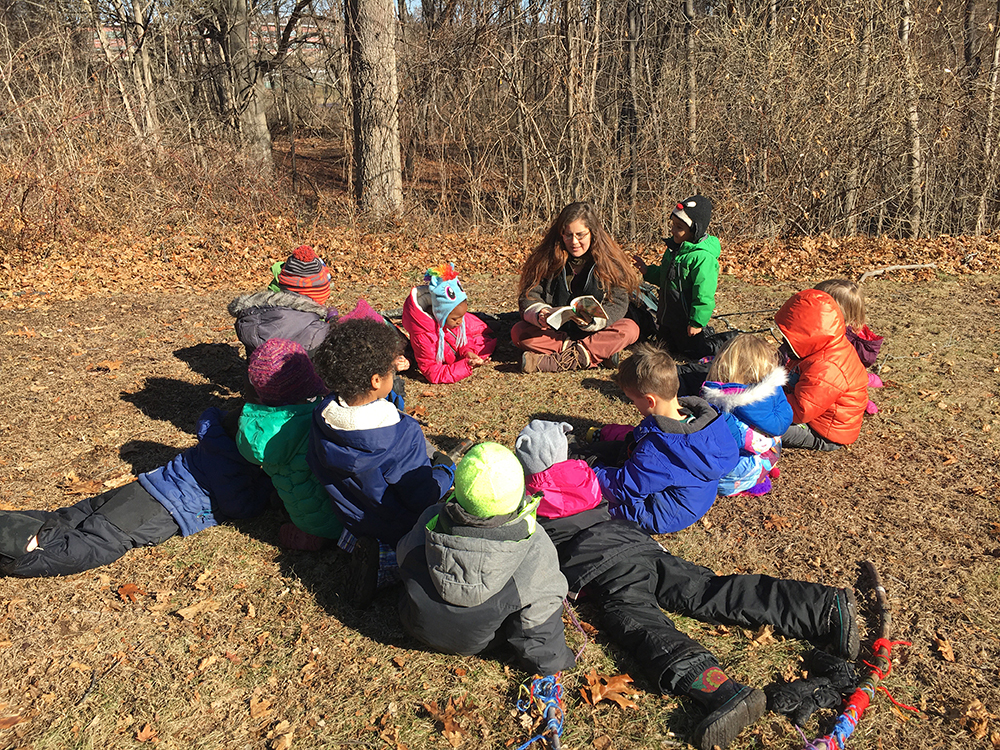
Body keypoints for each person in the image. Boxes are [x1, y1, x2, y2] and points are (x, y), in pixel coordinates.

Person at [512, 418, 859, 750]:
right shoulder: (587, 476)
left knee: (634, 619)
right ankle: (821, 607)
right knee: (711, 590)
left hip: (607, 570)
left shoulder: (531, 507)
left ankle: (720, 691)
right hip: (642, 547)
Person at [0, 409, 271, 578]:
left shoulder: (214, 438)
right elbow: (240, 506)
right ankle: (26, 548)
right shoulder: (230, 466)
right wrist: (268, 489)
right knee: (98, 542)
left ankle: (9, 524)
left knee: (75, 516)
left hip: (141, 488)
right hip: (159, 509)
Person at [308, 317, 455, 607]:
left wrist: (390, 401)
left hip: (351, 516)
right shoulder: (404, 434)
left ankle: (360, 547)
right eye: (391, 369)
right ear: (376, 380)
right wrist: (444, 472)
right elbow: (420, 496)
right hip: (395, 524)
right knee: (426, 536)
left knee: (364, 530)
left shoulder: (321, 416)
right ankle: (386, 570)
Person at [396, 442, 575, 678]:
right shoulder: (536, 547)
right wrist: (555, 663)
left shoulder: (430, 520)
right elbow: (539, 628)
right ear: (519, 493)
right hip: (479, 641)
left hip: (415, 623)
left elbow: (403, 555)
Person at [587, 343, 739, 534]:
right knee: (611, 451)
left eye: (633, 401)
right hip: (693, 500)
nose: (634, 406)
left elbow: (623, 488)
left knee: (596, 502)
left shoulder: (660, 450)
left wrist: (592, 471)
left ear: (650, 400)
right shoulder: (705, 419)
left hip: (659, 513)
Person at [236, 338, 342, 551]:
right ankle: (323, 537)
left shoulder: (257, 428)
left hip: (300, 513)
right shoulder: (316, 419)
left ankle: (307, 532)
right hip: (338, 518)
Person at [512, 201, 640, 373]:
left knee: (630, 329)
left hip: (595, 332)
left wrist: (595, 320)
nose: (574, 242)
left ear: (592, 233)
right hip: (556, 333)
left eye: (580, 235)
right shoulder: (546, 258)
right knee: (519, 332)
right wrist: (539, 313)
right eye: (568, 235)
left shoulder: (610, 261)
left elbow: (618, 301)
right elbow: (529, 295)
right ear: (560, 234)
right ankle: (596, 354)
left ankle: (552, 362)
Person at [774, 288, 868, 451]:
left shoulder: (827, 367)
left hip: (823, 432)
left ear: (807, 336)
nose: (783, 341)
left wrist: (764, 398)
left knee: (761, 423)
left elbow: (799, 411)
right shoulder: (816, 348)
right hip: (810, 413)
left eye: (789, 337)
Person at [700, 335, 792, 496]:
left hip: (734, 475)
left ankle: (740, 484)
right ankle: (759, 477)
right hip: (768, 457)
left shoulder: (723, 405)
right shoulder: (774, 397)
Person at [636, 195, 723, 359]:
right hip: (667, 318)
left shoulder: (702, 258)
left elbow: (704, 295)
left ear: (695, 230)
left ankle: (721, 342)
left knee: (694, 352)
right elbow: (665, 276)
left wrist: (696, 322)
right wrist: (647, 271)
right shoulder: (674, 250)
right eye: (673, 225)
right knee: (664, 349)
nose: (673, 230)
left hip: (686, 321)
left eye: (679, 227)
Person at [228, 244, 336, 358]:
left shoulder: (251, 315)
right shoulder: (318, 331)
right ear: (319, 295)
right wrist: (334, 325)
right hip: (299, 374)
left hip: (257, 373)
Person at [401, 263, 497, 384]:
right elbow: (433, 372)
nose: (460, 322)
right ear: (440, 314)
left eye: (462, 316)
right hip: (447, 359)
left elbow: (463, 338)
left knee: (482, 338)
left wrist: (468, 352)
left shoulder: (453, 321)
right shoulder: (423, 337)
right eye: (456, 318)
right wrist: (465, 365)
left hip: (458, 350)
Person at [814, 279, 884, 414]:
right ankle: (867, 378)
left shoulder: (838, 337)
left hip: (843, 378)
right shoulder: (853, 331)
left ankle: (863, 396)